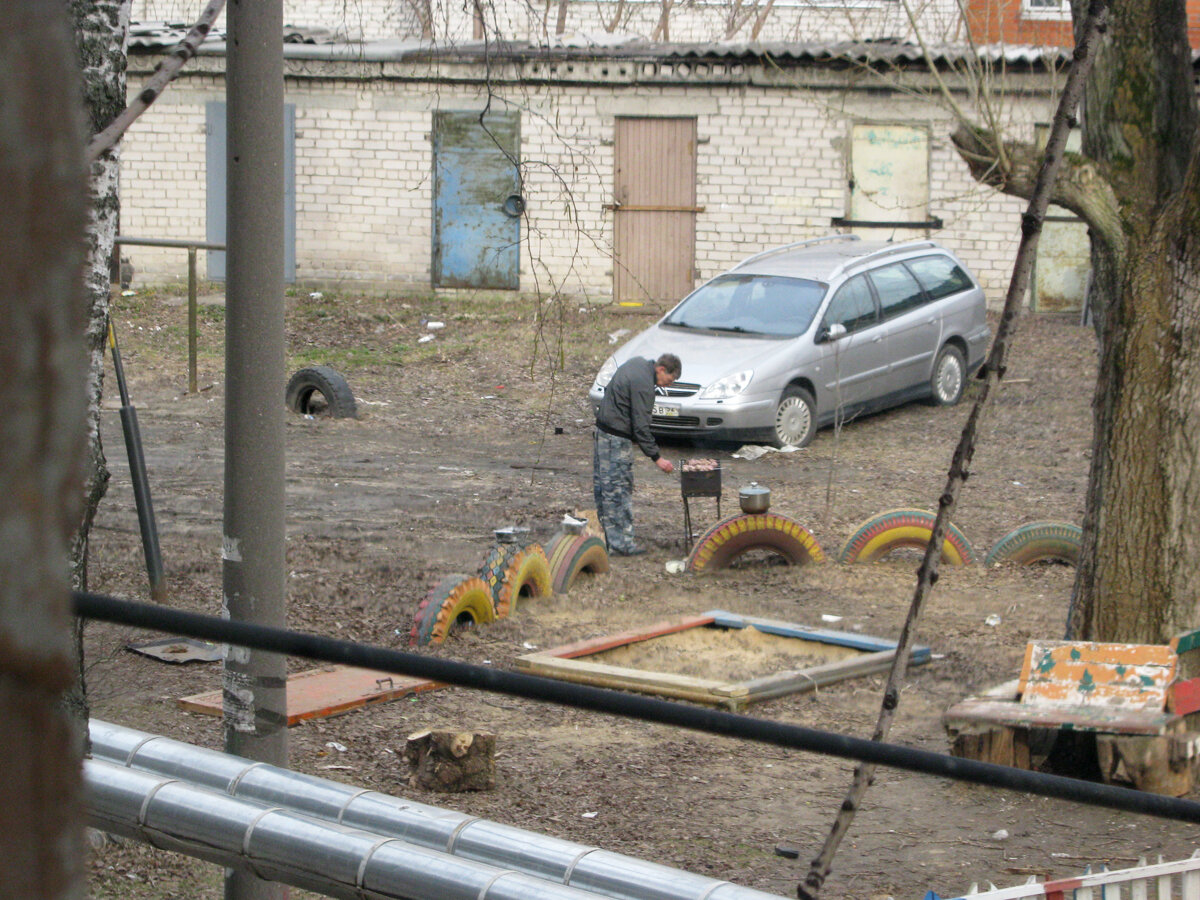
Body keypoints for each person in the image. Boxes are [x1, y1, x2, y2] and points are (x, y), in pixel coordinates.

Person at [592, 353, 681, 556]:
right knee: (618, 491)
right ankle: (622, 544)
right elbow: (641, 426)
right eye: (668, 380)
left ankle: (607, 538)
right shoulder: (644, 385)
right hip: (616, 440)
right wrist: (656, 457)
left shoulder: (637, 363)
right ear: (661, 369)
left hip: (602, 433)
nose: (666, 386)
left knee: (603, 489)